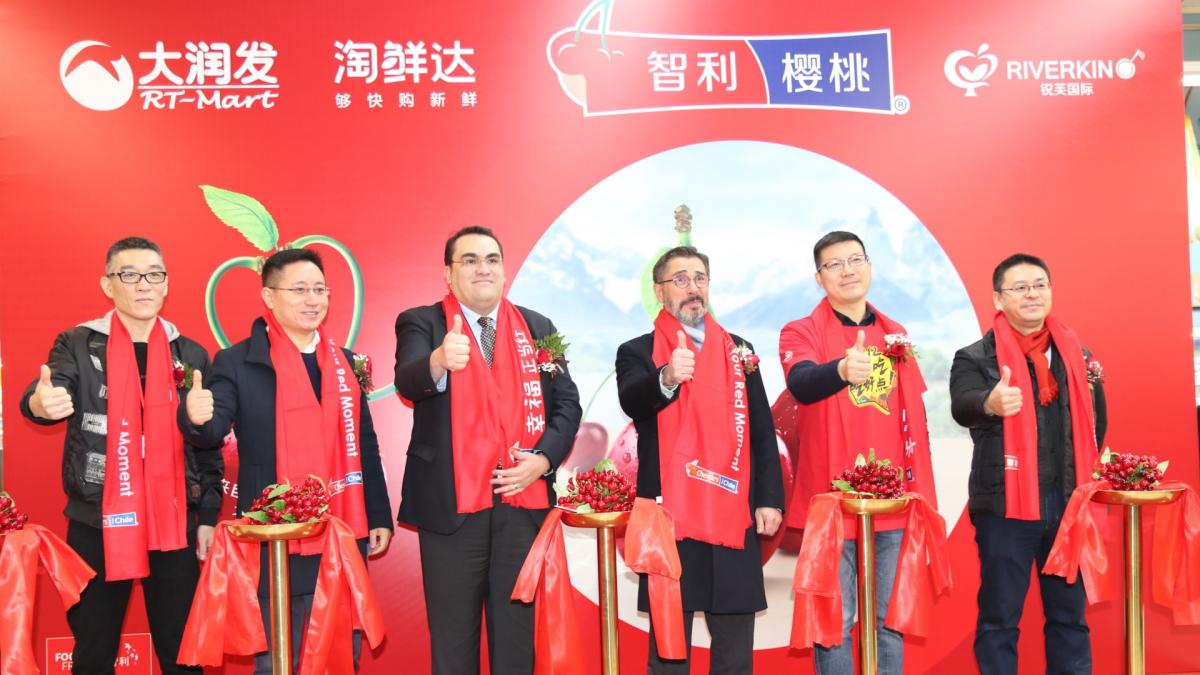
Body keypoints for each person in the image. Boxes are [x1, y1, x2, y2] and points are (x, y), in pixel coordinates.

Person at [179, 247, 392, 673]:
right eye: (299, 290)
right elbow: (211, 432)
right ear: (269, 296)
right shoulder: (238, 361)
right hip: (272, 535)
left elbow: (365, 444)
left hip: (341, 527)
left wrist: (379, 514)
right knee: (276, 661)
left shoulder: (345, 363)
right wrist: (195, 417)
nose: (313, 300)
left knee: (340, 655)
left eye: (320, 290)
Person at [20, 236, 222, 675]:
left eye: (154, 274)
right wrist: (40, 403)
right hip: (98, 519)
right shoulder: (77, 343)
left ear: (166, 284)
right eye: (128, 275)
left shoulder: (189, 354)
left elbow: (208, 446)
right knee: (93, 652)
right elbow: (48, 391)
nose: (143, 284)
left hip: (173, 521)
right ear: (107, 284)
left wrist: (207, 515)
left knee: (183, 654)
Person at [393, 226, 582, 674]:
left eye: (492, 259)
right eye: (470, 260)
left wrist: (543, 460)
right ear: (448, 273)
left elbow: (567, 404)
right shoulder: (422, 322)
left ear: (503, 270)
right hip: (452, 508)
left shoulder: (537, 327)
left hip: (522, 506)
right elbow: (408, 379)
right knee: (454, 644)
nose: (483, 268)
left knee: (516, 643)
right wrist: (439, 360)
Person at [615, 245, 784, 674]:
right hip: (670, 513)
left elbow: (762, 430)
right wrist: (667, 376)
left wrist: (769, 498)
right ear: (659, 291)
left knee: (734, 648)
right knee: (670, 648)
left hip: (732, 508)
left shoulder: (739, 349)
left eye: (700, 278)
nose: (693, 288)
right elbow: (633, 400)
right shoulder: (637, 351)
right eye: (680, 279)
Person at [778, 231, 936, 675]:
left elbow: (913, 414)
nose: (847, 270)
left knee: (890, 622)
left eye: (855, 260)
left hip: (891, 500)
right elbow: (801, 382)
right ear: (819, 278)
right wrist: (843, 369)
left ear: (869, 267)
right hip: (831, 500)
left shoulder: (895, 333)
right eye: (834, 264)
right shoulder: (800, 331)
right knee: (835, 622)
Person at [949, 253, 1105, 675]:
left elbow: (1097, 423)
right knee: (999, 619)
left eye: (1039, 285)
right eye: (1020, 287)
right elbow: (962, 406)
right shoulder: (975, 357)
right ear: (998, 299)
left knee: (1069, 617)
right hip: (1006, 509)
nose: (1032, 294)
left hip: (1067, 505)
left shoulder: (1076, 355)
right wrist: (990, 402)